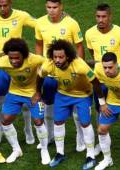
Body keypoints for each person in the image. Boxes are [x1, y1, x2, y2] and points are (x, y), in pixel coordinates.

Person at [34, 39, 106, 169]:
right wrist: (38, 92)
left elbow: (95, 82)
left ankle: (90, 156)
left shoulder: (80, 65)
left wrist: (102, 102)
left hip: (82, 95)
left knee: (85, 122)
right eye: (55, 57)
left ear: (68, 56)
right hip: (63, 94)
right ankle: (60, 153)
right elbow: (40, 76)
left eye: (61, 57)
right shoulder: (48, 65)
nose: (57, 60)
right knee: (58, 121)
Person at [85, 3, 120, 159]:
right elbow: (94, 54)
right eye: (98, 16)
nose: (100, 20)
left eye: (104, 17)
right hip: (99, 79)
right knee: (100, 108)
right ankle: (100, 144)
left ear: (110, 17)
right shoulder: (89, 33)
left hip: (118, 79)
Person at [0, 0, 37, 144]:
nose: (2, 8)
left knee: (24, 98)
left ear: (10, 4)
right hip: (0, 65)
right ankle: (0, 128)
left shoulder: (21, 16)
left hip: (18, 65)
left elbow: (40, 25)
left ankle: (28, 129)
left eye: (5, 5)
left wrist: (61, 16)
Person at [34, 0, 85, 151]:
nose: (52, 10)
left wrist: (79, 68)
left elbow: (79, 46)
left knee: (75, 103)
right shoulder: (40, 23)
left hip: (69, 72)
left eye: (55, 7)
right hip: (49, 72)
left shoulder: (72, 24)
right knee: (48, 103)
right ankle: (49, 135)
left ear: (61, 7)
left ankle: (80, 138)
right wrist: (39, 63)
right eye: (49, 7)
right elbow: (38, 43)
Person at [0, 38, 50, 164]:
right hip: (15, 92)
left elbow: (50, 63)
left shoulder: (34, 59)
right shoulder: (2, 61)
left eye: (17, 58)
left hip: (33, 93)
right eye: (11, 58)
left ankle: (44, 150)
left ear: (24, 55)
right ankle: (16, 150)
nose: (13, 61)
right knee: (5, 120)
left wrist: (39, 90)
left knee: (38, 121)